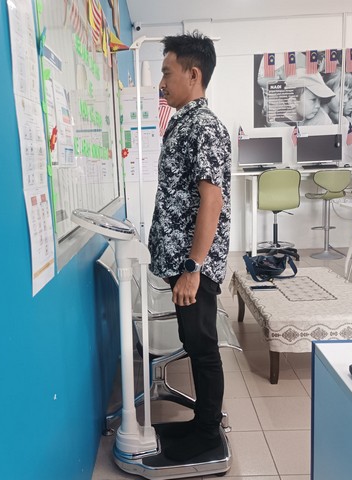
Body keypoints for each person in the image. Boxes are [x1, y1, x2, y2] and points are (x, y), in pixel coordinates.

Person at [148, 31, 231, 462]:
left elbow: (211, 200)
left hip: (193, 267)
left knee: (202, 347)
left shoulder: (204, 127)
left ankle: (208, 435)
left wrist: (193, 268)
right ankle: (201, 426)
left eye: (167, 72)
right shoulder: (184, 122)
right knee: (195, 343)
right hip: (183, 263)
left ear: (193, 74)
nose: (161, 83)